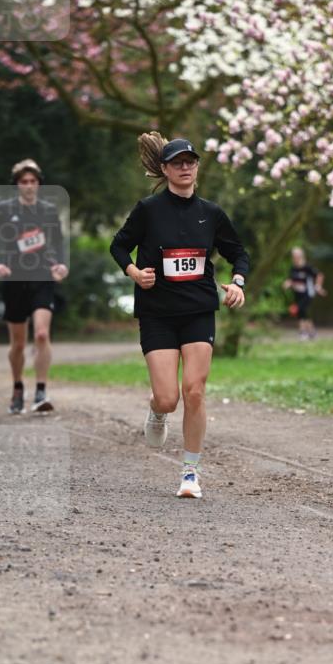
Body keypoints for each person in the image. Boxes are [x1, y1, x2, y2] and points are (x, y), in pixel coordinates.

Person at [110, 133, 250, 499]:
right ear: (165, 169)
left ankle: (190, 472)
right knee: (169, 397)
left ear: (197, 167)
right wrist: (134, 273)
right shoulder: (148, 209)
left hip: (199, 310)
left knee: (195, 392)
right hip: (157, 313)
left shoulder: (212, 214)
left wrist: (237, 282)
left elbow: (239, 253)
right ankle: (157, 411)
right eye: (177, 162)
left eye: (190, 161)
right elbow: (119, 244)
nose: (185, 167)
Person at [0, 159, 68, 414]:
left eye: (33, 181)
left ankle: (41, 390)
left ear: (39, 184)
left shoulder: (47, 210)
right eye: (24, 182)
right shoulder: (3, 209)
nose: (29, 186)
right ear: (16, 185)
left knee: (42, 334)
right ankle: (17, 387)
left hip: (42, 277)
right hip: (13, 279)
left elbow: (58, 242)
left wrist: (60, 265)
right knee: (19, 344)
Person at [282, 246, 326, 339]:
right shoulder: (293, 268)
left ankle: (303, 332)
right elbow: (291, 280)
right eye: (293, 257)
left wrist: (318, 286)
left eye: (296, 256)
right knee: (302, 313)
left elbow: (319, 275)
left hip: (308, 294)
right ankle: (311, 332)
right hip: (298, 294)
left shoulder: (307, 267)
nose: (295, 258)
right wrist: (288, 283)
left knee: (298, 309)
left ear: (301, 256)